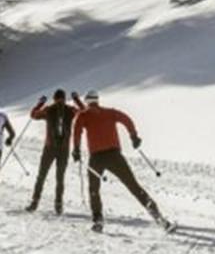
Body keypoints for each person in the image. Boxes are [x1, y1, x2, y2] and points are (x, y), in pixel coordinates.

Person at [72, 89, 172, 233]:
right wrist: (134, 136)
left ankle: (98, 220)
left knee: (94, 189)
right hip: (115, 156)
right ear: (98, 100)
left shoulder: (83, 115)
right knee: (133, 186)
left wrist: (75, 149)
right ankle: (159, 218)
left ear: (87, 102)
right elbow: (126, 119)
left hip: (96, 158)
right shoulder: (110, 112)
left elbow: (77, 131)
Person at [26, 89, 77, 213]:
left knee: (42, 175)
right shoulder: (70, 110)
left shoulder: (49, 110)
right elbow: (83, 112)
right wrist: (77, 100)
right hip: (64, 148)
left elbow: (33, 114)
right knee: (60, 177)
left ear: (54, 98)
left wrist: (40, 103)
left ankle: (35, 202)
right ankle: (58, 205)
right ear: (65, 98)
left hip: (50, 147)